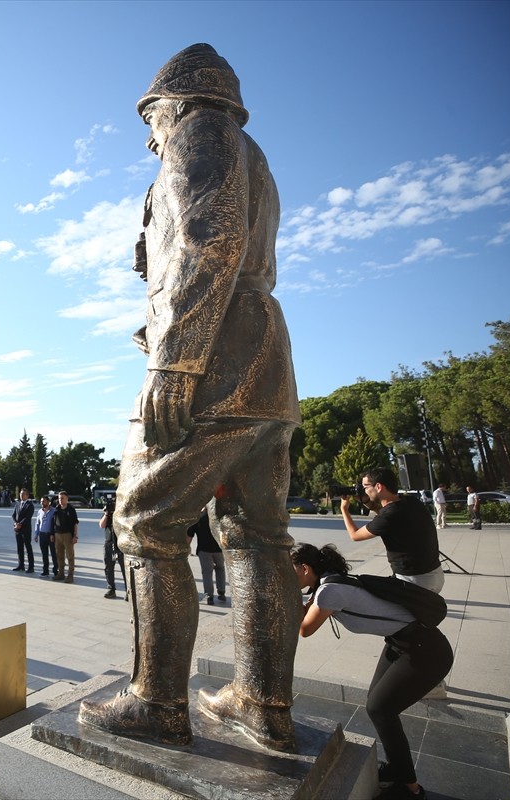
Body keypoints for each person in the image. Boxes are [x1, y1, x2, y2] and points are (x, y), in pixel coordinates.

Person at [79, 44, 303, 751]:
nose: (151, 135)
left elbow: (207, 240)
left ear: (173, 102)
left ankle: (157, 702)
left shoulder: (200, 131)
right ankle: (261, 703)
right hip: (263, 366)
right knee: (255, 538)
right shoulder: (248, 149)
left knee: (144, 524)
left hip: (212, 366)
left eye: (151, 116)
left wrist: (174, 363)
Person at [293, 543, 451, 800]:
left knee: (381, 709)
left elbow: (305, 629)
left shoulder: (329, 591)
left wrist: (288, 595)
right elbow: (304, 612)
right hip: (399, 643)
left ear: (305, 568)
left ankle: (411, 789)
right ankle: (395, 768)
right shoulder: (326, 585)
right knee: (376, 705)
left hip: (426, 650)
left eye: (291, 573)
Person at [344, 467, 443, 593]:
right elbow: (386, 515)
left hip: (413, 581)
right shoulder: (411, 501)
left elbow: (355, 535)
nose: (363, 491)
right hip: (434, 573)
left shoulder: (389, 516)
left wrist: (344, 509)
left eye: (365, 487)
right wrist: (367, 502)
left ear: (378, 487)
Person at [187, 508, 225, 605]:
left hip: (204, 551)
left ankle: (209, 596)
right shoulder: (219, 516)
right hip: (219, 550)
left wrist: (187, 547)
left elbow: (190, 534)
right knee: (220, 569)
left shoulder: (198, 517)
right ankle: (221, 592)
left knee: (207, 573)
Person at [51, 492, 79, 583]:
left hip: (68, 535)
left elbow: (75, 523)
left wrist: (75, 536)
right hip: (57, 535)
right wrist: (52, 534)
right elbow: (53, 523)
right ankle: (61, 573)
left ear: (67, 499)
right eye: (59, 498)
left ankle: (70, 575)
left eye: (62, 498)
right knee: (59, 555)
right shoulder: (56, 509)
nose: (60, 500)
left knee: (70, 556)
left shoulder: (71, 509)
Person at [100, 495, 125, 598]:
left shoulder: (123, 513)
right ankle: (111, 589)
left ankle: (128, 590)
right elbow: (101, 525)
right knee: (108, 567)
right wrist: (106, 514)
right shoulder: (107, 514)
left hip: (121, 544)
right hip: (109, 543)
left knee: (124, 568)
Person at [11, 488, 35, 573]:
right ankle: (21, 565)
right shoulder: (17, 504)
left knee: (28, 548)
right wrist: (15, 523)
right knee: (19, 548)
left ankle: (31, 567)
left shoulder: (30, 505)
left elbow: (27, 517)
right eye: (21, 493)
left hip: (25, 530)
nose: (21, 495)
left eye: (24, 494)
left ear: (27, 495)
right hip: (17, 530)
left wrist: (20, 524)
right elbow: (13, 515)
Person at [34, 495, 57, 577]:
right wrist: (36, 534)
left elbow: (54, 524)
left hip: (50, 535)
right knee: (44, 554)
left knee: (54, 553)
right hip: (42, 534)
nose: (42, 503)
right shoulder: (40, 511)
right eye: (41, 501)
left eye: (43, 501)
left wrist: (52, 534)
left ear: (48, 502)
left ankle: (55, 570)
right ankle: (45, 570)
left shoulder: (54, 511)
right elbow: (37, 523)